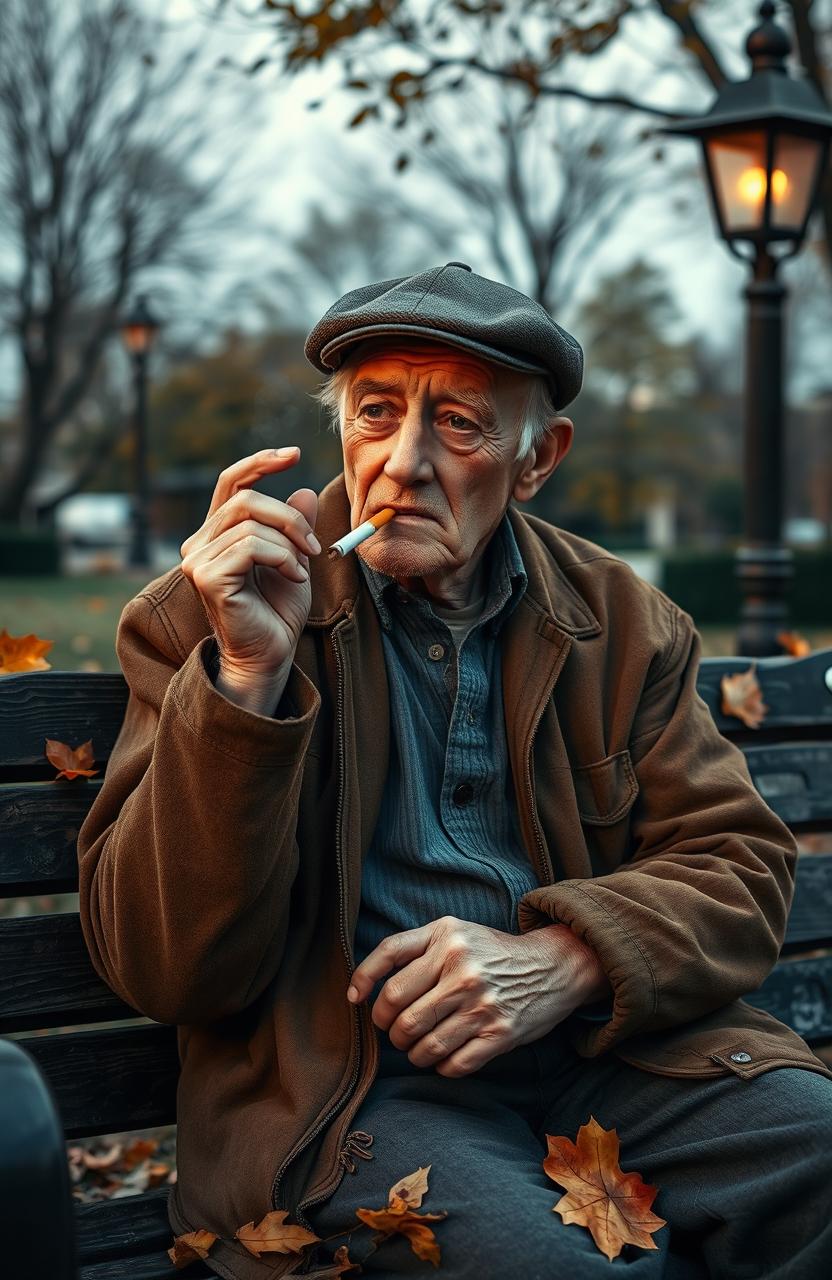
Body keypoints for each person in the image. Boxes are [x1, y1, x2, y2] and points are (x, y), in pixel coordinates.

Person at [77, 262, 832, 1280]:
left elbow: (738, 863)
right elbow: (164, 967)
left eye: (461, 425)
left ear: (536, 457)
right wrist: (249, 678)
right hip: (353, 1096)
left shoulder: (622, 619)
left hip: (607, 1057)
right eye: (376, 412)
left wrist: (569, 958)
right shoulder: (206, 618)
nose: (402, 463)